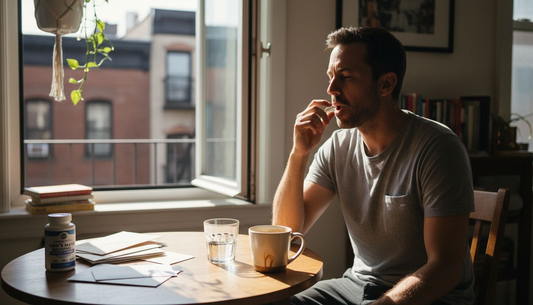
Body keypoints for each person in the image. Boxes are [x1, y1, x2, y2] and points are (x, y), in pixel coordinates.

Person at [272, 26, 475, 305]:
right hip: (356, 287)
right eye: (331, 77)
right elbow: (287, 233)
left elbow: (445, 270)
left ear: (385, 84)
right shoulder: (338, 147)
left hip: (430, 297)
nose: (332, 90)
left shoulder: (437, 148)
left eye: (346, 77)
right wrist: (299, 154)